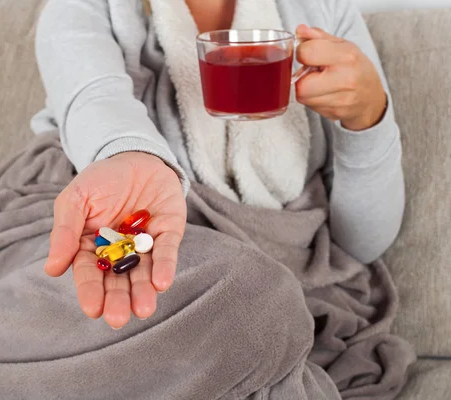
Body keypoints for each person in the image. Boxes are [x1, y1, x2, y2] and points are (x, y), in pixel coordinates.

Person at [34, 0, 404, 331]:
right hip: (85, 211)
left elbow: (361, 245)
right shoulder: (85, 8)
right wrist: (130, 154)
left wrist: (368, 121)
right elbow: (95, 100)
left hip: (271, 275)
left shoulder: (322, 12)